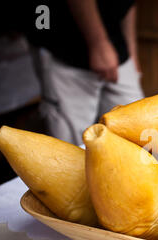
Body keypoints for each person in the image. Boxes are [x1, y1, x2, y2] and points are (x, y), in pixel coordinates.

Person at [24, 0, 144, 145]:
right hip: (64, 47)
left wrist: (132, 53)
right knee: (71, 144)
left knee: (137, 130)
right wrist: (98, 44)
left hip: (117, 46)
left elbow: (128, 4)